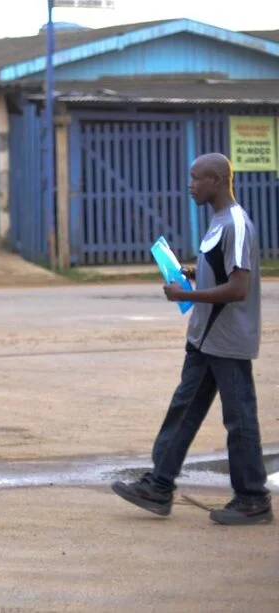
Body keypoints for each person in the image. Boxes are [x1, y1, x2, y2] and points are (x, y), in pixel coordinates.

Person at [112, 153, 272, 525]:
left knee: (240, 419)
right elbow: (221, 273)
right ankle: (158, 485)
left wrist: (184, 296)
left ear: (216, 180)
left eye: (196, 178)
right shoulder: (217, 221)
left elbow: (238, 288)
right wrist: (191, 274)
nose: (190, 185)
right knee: (184, 410)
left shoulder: (235, 223)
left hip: (227, 340)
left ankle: (252, 499)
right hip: (205, 337)